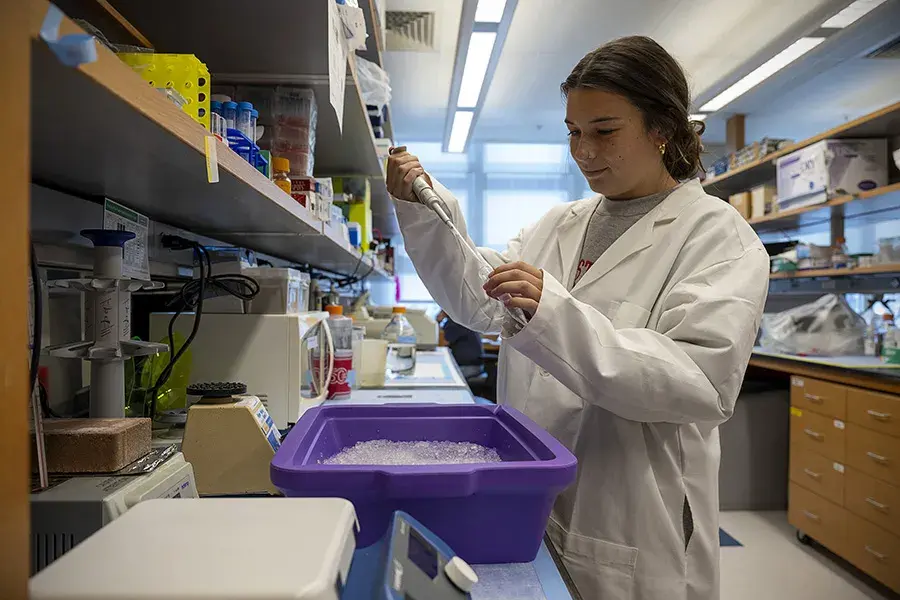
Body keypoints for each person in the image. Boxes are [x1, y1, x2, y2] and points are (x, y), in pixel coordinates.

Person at [386, 36, 769, 600]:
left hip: (629, 514)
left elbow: (698, 384)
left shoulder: (717, 237)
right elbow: (478, 298)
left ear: (661, 128)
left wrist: (552, 315)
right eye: (574, 131)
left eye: (604, 131)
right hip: (532, 492)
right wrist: (423, 210)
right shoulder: (558, 224)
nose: (583, 150)